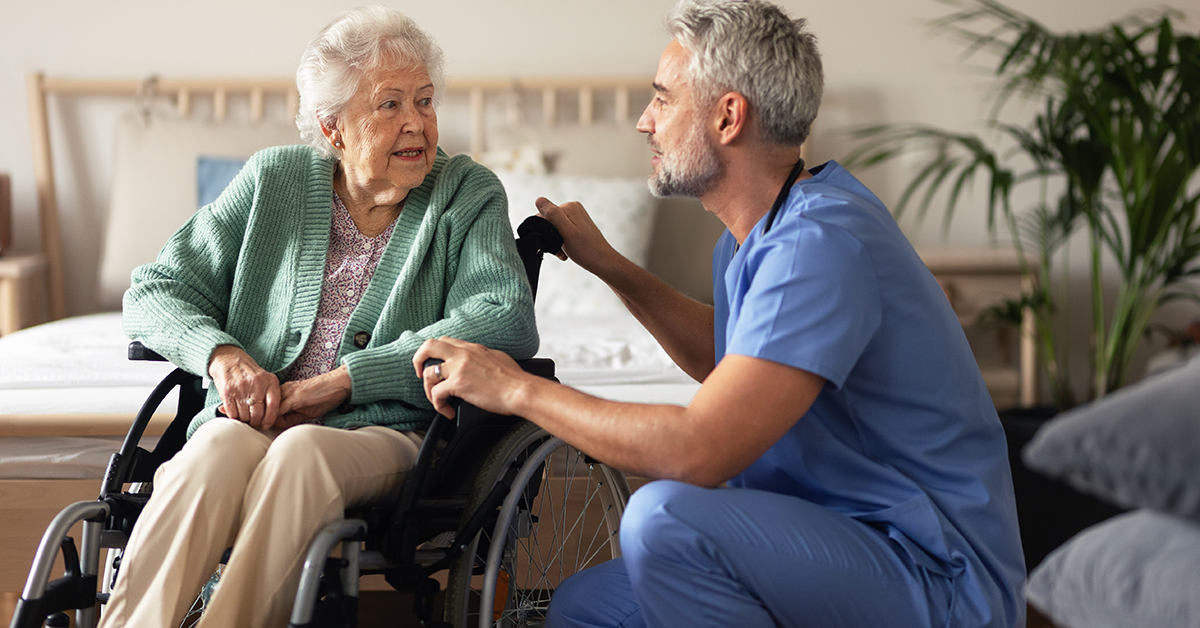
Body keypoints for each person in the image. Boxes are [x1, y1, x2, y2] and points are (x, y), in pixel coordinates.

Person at [412, 0, 1026, 626]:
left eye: (663, 98)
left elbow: (698, 450)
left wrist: (514, 389)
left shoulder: (818, 244)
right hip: (838, 542)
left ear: (729, 116)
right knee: (587, 606)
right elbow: (730, 359)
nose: (644, 122)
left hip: (931, 572)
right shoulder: (752, 234)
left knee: (664, 519)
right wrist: (610, 266)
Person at [101, 7, 537, 628]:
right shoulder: (273, 180)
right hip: (255, 419)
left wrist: (350, 380)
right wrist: (223, 357)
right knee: (212, 450)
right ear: (333, 129)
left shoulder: (466, 194)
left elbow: (503, 317)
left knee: (301, 452)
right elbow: (153, 290)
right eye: (390, 106)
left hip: (393, 434)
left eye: (425, 100)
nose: (417, 123)